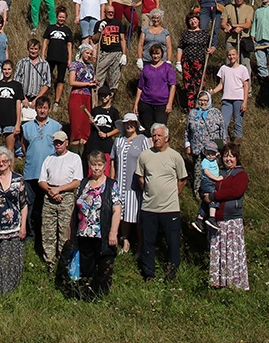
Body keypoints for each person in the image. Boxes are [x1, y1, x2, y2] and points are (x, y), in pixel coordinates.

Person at [136, 123, 188, 282]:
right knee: (148, 242)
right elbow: (140, 176)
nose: (156, 138)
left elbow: (182, 179)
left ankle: (171, 272)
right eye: (154, 135)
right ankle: (148, 273)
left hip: (170, 208)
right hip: (149, 207)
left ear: (166, 137)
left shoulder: (175, 156)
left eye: (159, 135)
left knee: (172, 242)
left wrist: (173, 193)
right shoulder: (145, 156)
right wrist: (149, 190)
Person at [73, 151, 122, 299]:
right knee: (86, 267)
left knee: (104, 267)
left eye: (99, 165)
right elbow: (75, 208)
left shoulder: (111, 185)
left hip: (103, 233)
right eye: (93, 165)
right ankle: (85, 295)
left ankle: (102, 297)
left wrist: (113, 232)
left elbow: (117, 209)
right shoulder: (83, 184)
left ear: (104, 166)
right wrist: (71, 231)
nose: (96, 168)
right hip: (84, 233)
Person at [0, 147, 27, 292]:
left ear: (9, 162)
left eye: (4, 161)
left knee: (11, 262)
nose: (1, 163)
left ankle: (11, 290)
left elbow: (24, 204)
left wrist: (23, 226)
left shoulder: (18, 179)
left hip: (14, 228)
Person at [207, 142, 250, 290]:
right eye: (226, 156)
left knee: (232, 252)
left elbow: (235, 191)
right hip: (217, 219)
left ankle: (234, 283)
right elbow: (206, 185)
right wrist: (206, 195)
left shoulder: (241, 174)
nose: (228, 159)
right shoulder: (218, 172)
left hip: (232, 218)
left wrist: (214, 196)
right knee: (218, 250)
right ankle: (217, 282)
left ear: (237, 158)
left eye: (231, 156)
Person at [39, 132, 82, 272]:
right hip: (50, 196)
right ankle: (49, 262)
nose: (58, 145)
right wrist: (51, 191)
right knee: (48, 231)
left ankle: (64, 262)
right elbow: (42, 180)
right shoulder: (49, 159)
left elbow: (77, 181)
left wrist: (60, 189)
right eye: (56, 142)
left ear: (66, 142)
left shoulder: (74, 158)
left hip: (66, 196)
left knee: (65, 231)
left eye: (60, 142)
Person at [21, 96, 60, 244]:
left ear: (49, 109)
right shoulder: (27, 127)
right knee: (29, 204)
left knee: (46, 206)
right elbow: (24, 146)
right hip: (31, 171)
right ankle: (30, 235)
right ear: (35, 109)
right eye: (39, 107)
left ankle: (45, 236)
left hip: (49, 175)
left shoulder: (56, 127)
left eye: (45, 108)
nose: (42, 110)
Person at [110, 114, 150, 253]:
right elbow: (113, 160)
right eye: (126, 123)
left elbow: (147, 161)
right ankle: (125, 241)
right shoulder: (119, 140)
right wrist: (112, 179)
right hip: (120, 184)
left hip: (136, 185)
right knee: (122, 215)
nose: (129, 125)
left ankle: (140, 245)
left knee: (137, 215)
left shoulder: (142, 140)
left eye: (132, 123)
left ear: (136, 125)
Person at [184, 90, 227, 198]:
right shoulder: (193, 113)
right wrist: (187, 145)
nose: (203, 103)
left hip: (212, 150)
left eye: (205, 100)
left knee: (213, 171)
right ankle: (198, 194)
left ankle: (214, 193)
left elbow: (222, 130)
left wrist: (223, 147)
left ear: (209, 101)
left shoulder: (216, 113)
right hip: (197, 148)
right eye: (200, 100)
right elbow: (187, 131)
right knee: (198, 172)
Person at [133, 43, 176, 135]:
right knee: (147, 130)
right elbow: (140, 87)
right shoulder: (146, 68)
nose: (155, 56)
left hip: (161, 103)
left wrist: (169, 103)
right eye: (153, 54)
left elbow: (172, 86)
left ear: (161, 54)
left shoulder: (167, 68)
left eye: (157, 53)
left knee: (160, 129)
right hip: (146, 102)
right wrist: (136, 104)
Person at [176, 12, 213, 111]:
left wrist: (211, 50)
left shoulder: (205, 34)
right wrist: (178, 62)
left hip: (200, 63)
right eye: (190, 20)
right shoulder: (185, 34)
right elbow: (180, 48)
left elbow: (211, 46)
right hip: (187, 63)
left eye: (194, 19)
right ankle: (191, 110)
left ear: (198, 20)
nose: (193, 21)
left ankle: (201, 108)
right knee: (189, 87)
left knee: (200, 86)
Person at [211, 46, 250, 139]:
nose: (231, 57)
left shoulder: (242, 69)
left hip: (238, 99)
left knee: (237, 123)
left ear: (237, 56)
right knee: (223, 122)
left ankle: (237, 145)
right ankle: (225, 143)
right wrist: (211, 92)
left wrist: (245, 102)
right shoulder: (224, 68)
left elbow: (246, 85)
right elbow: (221, 85)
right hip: (227, 99)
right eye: (229, 55)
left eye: (233, 55)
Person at [0, 60, 24, 155]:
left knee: (10, 150)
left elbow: (18, 105)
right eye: (4, 69)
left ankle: (10, 169)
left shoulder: (17, 86)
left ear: (12, 70)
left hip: (11, 121)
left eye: (9, 69)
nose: (6, 71)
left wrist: (17, 124)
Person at [82, 86, 120, 173]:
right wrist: (91, 123)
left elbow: (118, 128)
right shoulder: (95, 110)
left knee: (105, 170)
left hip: (106, 145)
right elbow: (89, 128)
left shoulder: (114, 112)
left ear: (110, 96)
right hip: (93, 144)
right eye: (101, 96)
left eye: (105, 96)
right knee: (92, 170)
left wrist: (107, 135)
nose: (103, 98)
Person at [67, 42, 98, 144]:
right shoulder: (74, 64)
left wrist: (93, 83)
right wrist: (87, 84)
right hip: (77, 95)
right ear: (82, 52)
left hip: (87, 96)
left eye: (90, 54)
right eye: (87, 53)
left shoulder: (91, 67)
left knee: (86, 124)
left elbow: (92, 80)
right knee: (76, 125)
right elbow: (72, 82)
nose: (89, 56)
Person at [42, 8, 73, 107]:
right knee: (46, 78)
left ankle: (57, 102)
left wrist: (69, 59)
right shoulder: (50, 28)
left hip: (62, 58)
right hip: (50, 57)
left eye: (63, 17)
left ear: (66, 18)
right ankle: (43, 98)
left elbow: (69, 45)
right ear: (57, 17)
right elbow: (45, 42)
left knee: (60, 80)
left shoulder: (67, 30)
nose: (61, 19)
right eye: (60, 17)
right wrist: (43, 55)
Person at [190, 141, 222, 234]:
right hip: (208, 182)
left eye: (212, 154)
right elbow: (207, 172)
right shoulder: (205, 162)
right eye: (208, 154)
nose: (210, 156)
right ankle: (212, 218)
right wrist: (216, 179)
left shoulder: (215, 161)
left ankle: (199, 219)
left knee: (205, 202)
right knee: (213, 197)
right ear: (205, 153)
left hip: (212, 182)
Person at [220, 0, 254, 65]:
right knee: (230, 62)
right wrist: (229, 29)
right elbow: (223, 24)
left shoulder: (249, 9)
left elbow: (247, 24)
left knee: (245, 63)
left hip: (244, 39)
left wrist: (233, 25)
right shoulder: (228, 8)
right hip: (231, 40)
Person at [15, 36, 52, 109]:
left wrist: (37, 99)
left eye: (35, 49)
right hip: (23, 98)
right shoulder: (22, 63)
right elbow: (16, 82)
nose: (33, 51)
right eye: (31, 49)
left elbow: (47, 83)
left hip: (38, 99)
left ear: (39, 50)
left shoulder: (44, 64)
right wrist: (23, 98)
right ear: (28, 49)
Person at [94, 12, 126, 90]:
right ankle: (96, 97)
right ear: (105, 13)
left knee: (114, 78)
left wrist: (124, 54)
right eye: (109, 12)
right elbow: (94, 40)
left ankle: (110, 98)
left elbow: (122, 39)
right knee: (98, 76)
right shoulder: (99, 23)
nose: (111, 14)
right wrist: (99, 30)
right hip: (104, 53)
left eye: (112, 12)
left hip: (117, 53)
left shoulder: (118, 23)